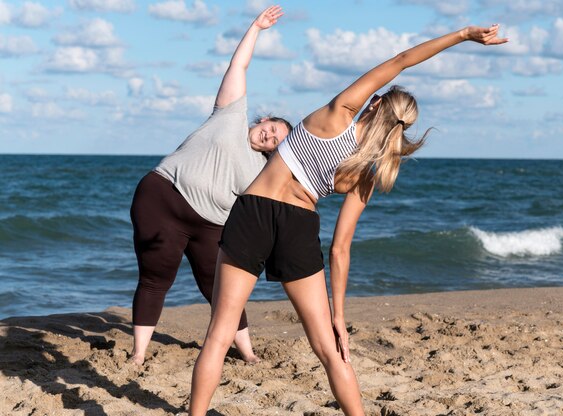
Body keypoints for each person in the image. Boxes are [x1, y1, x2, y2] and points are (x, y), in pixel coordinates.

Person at [189, 20, 507, 414]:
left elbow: (402, 60)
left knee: (219, 336)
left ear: (375, 103)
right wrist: (339, 315)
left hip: (253, 211)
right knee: (330, 351)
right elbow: (340, 250)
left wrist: (462, 36)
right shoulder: (366, 175)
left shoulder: (339, 112)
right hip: (298, 225)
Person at [129, 6, 291, 366]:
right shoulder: (230, 113)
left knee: (221, 288)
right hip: (162, 198)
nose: (269, 136)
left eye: (276, 140)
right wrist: (256, 28)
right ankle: (139, 354)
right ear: (264, 119)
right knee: (156, 277)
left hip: (210, 223)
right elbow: (239, 66)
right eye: (272, 128)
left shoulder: (261, 170)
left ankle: (247, 352)